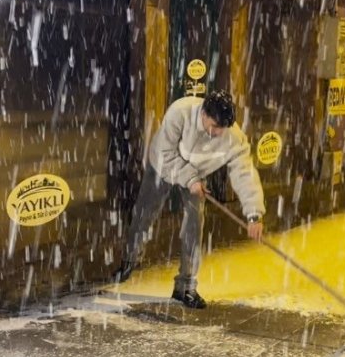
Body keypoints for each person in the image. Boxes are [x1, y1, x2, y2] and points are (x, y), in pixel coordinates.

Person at [113, 90, 265, 309]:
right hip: (163, 167)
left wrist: (253, 215)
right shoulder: (180, 112)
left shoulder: (233, 137)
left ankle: (186, 286)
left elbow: (244, 174)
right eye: (213, 126)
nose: (217, 133)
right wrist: (189, 178)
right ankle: (130, 259)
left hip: (197, 175)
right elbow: (166, 153)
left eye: (222, 129)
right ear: (203, 113)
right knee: (144, 214)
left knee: (194, 225)